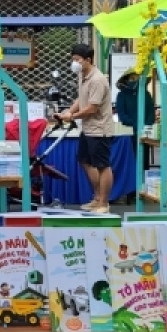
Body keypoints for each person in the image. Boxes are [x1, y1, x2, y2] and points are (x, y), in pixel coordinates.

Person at [58, 44, 113, 214]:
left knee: (102, 165)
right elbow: (81, 98)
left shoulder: (97, 79)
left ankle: (104, 203)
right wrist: (68, 111)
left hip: (99, 129)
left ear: (88, 60)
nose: (74, 63)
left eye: (77, 60)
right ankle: (96, 198)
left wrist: (72, 117)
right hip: (88, 129)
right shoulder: (83, 75)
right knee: (85, 161)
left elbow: (92, 108)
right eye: (73, 59)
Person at [116, 70, 155, 170]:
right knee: (131, 161)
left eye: (137, 79)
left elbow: (151, 113)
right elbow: (122, 115)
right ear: (126, 81)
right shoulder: (121, 96)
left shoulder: (146, 95)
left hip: (145, 133)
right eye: (132, 79)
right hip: (129, 134)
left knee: (144, 161)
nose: (135, 81)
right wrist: (136, 126)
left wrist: (146, 125)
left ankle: (144, 182)